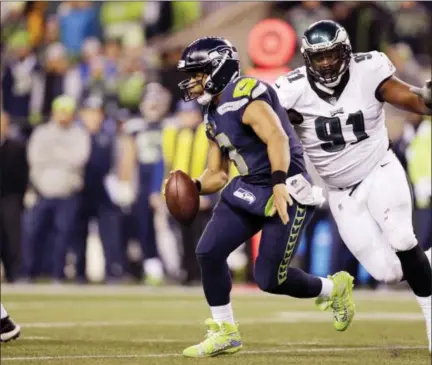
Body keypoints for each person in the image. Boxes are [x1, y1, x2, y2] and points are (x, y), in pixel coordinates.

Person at [169, 37, 355, 358]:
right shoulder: (212, 114)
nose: (193, 82)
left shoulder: (245, 94)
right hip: (248, 186)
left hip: (287, 187)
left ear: (217, 69)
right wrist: (193, 186)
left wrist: (280, 183)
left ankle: (334, 287)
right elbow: (218, 174)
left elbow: (277, 137)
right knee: (209, 251)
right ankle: (225, 331)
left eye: (198, 73)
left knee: (270, 280)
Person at [273, 20, 432, 352]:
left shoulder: (369, 69)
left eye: (332, 55)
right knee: (388, 272)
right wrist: (288, 177)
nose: (327, 63)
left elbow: (407, 96)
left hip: (379, 170)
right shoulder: (290, 90)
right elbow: (270, 134)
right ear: (307, 59)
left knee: (403, 239)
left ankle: (431, 317)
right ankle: (424, 262)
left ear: (345, 51)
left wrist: (426, 100)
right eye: (319, 58)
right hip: (340, 192)